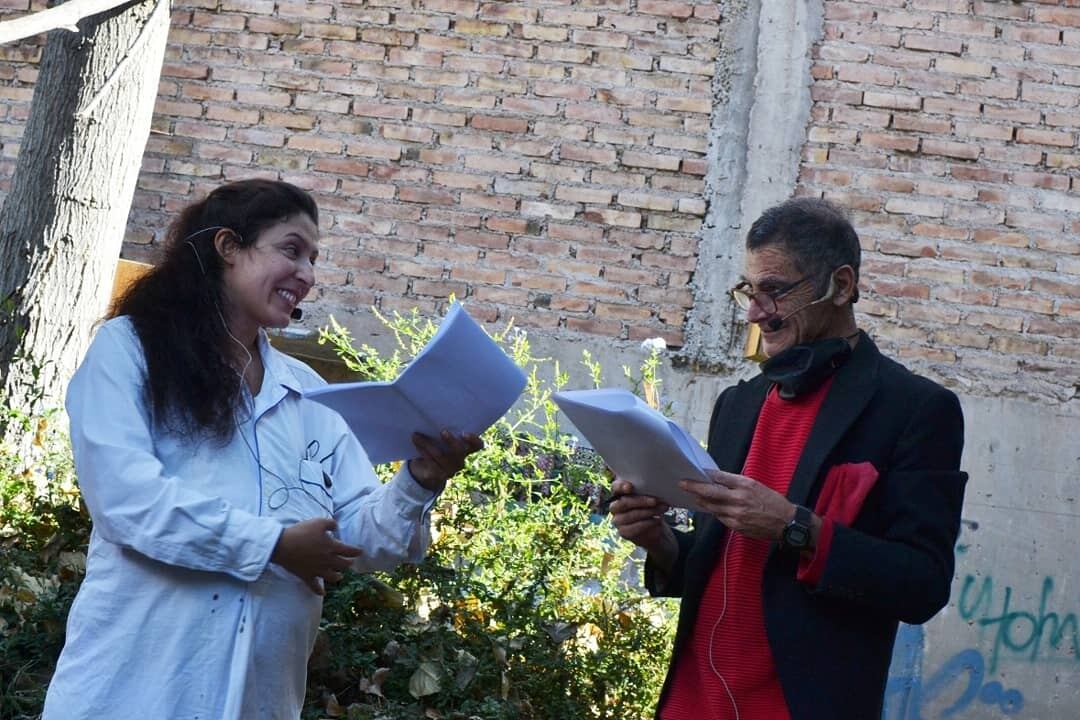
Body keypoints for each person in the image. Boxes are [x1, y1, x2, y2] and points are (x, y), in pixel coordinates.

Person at [43, 179, 483, 719]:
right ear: (228, 247)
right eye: (292, 250)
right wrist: (273, 545)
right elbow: (128, 503)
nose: (308, 275)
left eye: (314, 260)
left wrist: (419, 479)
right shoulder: (130, 350)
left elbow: (361, 540)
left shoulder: (311, 397)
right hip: (135, 693)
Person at [610, 197, 967, 720]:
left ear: (841, 286)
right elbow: (719, 568)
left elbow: (923, 584)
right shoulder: (738, 404)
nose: (756, 313)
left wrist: (794, 528)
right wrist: (659, 542)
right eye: (748, 292)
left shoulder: (917, 410)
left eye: (774, 291)